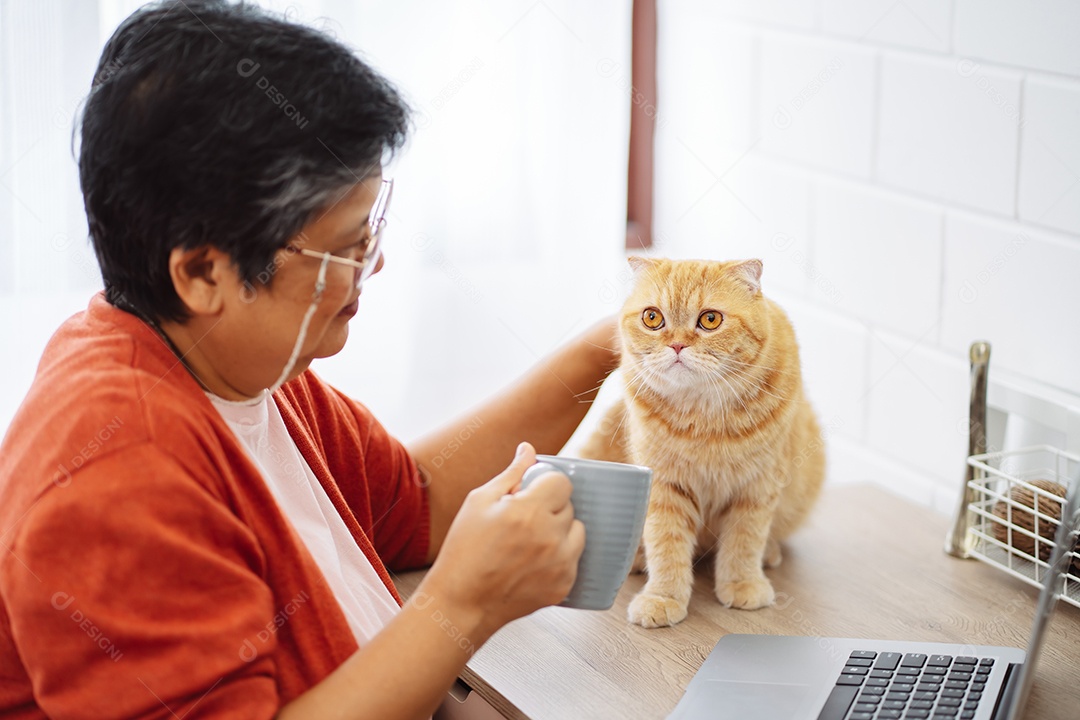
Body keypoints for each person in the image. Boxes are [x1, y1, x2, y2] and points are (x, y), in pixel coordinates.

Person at [0, 2, 617, 717]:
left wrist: (602, 353)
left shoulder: (240, 371)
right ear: (204, 273)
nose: (372, 265)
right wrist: (463, 606)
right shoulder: (116, 468)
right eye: (346, 247)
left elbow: (413, 503)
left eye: (371, 231)